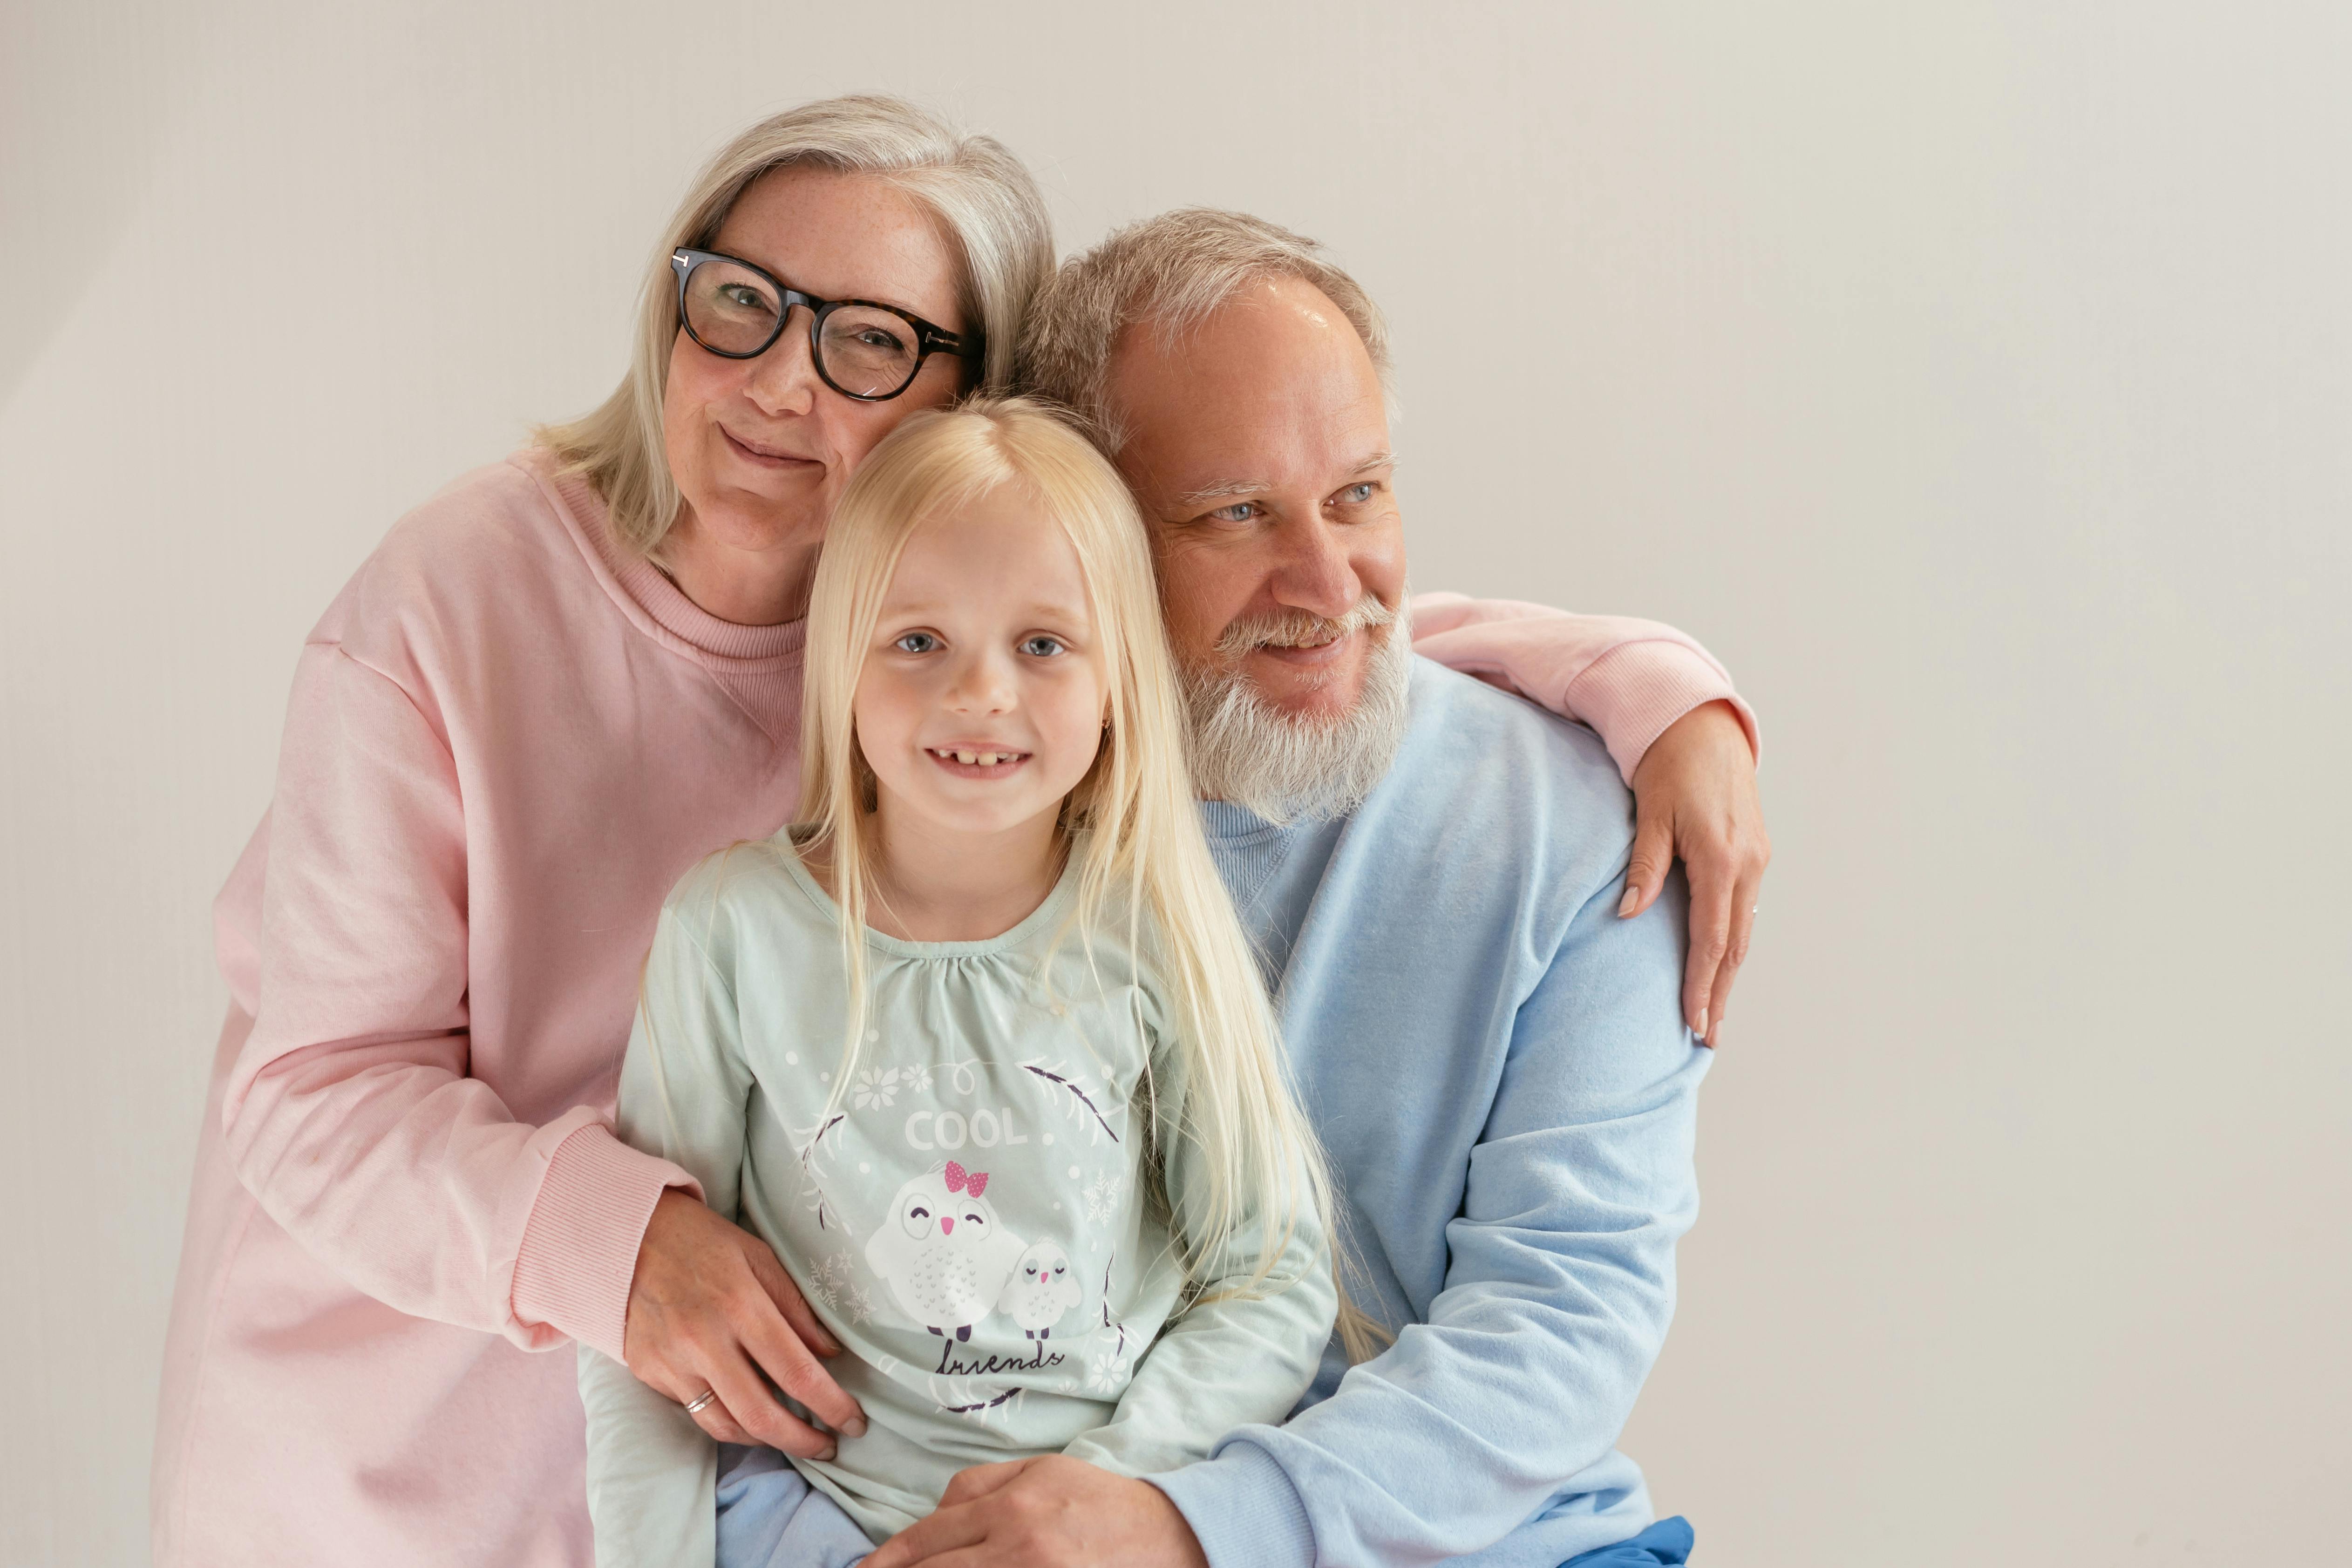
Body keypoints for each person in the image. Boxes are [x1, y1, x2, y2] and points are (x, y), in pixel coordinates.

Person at [151, 97, 1764, 1566]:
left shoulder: (971, 671)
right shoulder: (459, 601)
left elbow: (1289, 619)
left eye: (870, 340)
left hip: (771, 1450)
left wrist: (1650, 682)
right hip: (405, 1439)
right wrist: (621, 1247)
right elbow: (309, 1088)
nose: (785, 377)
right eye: (740, 300)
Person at [858, 210, 1734, 1568]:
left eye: (1359, 494)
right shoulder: (951, 827)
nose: (1330, 585)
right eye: (1236, 513)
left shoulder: (1582, 828)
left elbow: (1563, 1320)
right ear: (1088, 525)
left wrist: (1191, 1529)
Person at [579, 397, 1344, 1566]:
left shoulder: (1147, 934)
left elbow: (1268, 1274)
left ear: (1114, 681)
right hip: (814, 1521)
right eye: (917, 640)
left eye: (1042, 645)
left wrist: (1109, 1490)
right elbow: (648, 1318)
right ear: (841, 660)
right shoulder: (732, 933)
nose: (980, 693)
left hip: (1093, 1529)